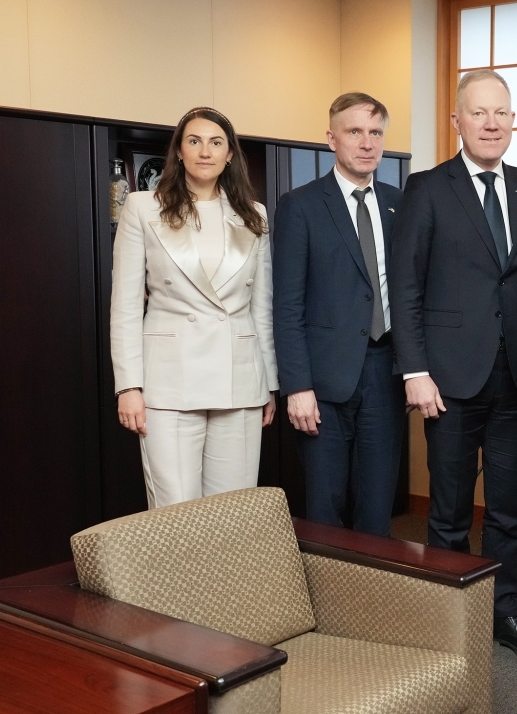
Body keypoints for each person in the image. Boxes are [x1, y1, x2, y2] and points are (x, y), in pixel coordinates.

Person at [389, 69, 517, 660]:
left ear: (514, 121)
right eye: (479, 113)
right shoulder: (428, 188)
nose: (491, 123)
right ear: (457, 121)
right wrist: (415, 370)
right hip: (449, 379)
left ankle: (502, 613)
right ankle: (449, 618)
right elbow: (405, 287)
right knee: (450, 511)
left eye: (502, 113)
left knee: (509, 511)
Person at [112, 107, 278, 508]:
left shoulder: (253, 214)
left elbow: (262, 309)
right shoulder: (142, 207)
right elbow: (126, 306)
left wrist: (268, 383)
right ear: (180, 152)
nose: (205, 151)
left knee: (233, 510)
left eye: (216, 142)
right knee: (175, 509)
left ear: (230, 155)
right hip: (167, 383)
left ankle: (225, 576)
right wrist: (128, 386)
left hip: (239, 380)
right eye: (194, 141)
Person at [271, 93, 405, 536]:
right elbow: (287, 304)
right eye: (354, 132)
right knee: (325, 505)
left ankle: (370, 601)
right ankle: (325, 604)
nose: (366, 143)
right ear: (331, 139)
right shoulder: (302, 205)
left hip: (385, 373)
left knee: (377, 504)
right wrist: (297, 387)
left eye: (375, 133)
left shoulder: (398, 203)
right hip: (323, 382)